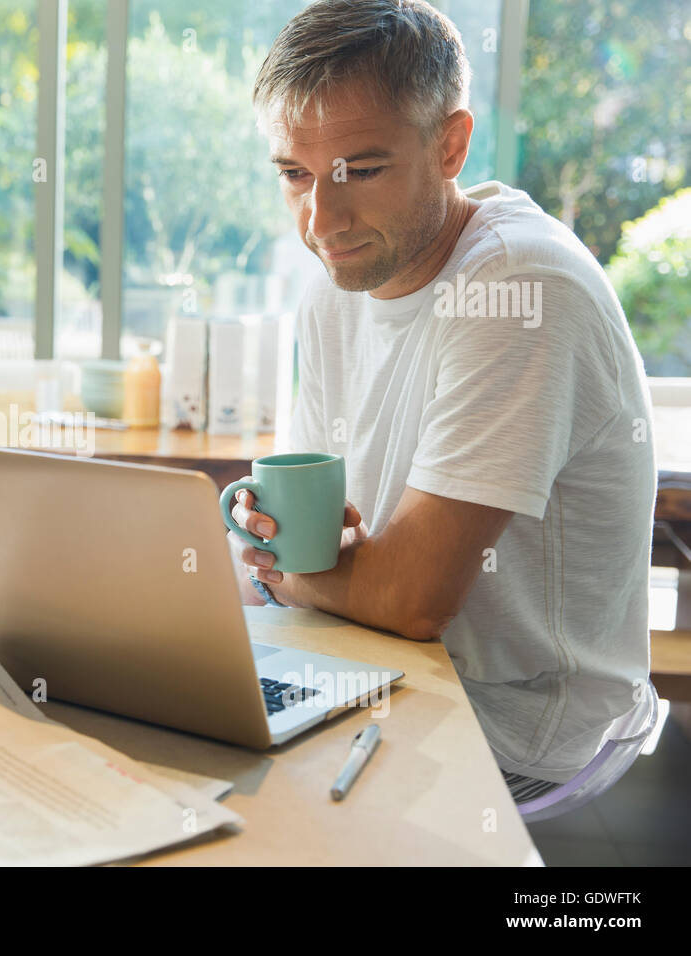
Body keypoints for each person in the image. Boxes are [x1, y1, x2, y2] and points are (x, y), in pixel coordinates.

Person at [228, 0, 655, 798]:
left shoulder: (522, 287)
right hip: (366, 665)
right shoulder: (337, 288)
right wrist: (283, 555)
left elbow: (410, 599)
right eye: (295, 175)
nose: (322, 220)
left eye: (364, 168)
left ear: (451, 145)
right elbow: (317, 547)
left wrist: (287, 572)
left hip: (515, 727)